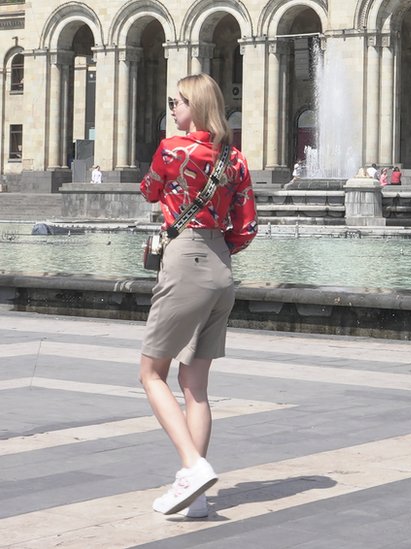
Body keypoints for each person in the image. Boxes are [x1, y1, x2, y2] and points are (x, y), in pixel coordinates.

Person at [139, 73, 258, 517]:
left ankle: (192, 466)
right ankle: (198, 498)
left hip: (185, 255)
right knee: (196, 386)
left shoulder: (173, 149)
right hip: (221, 266)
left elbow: (149, 189)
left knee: (151, 373)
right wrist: (217, 251)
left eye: (179, 102)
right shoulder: (237, 160)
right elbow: (246, 228)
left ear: (197, 106)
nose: (173, 110)